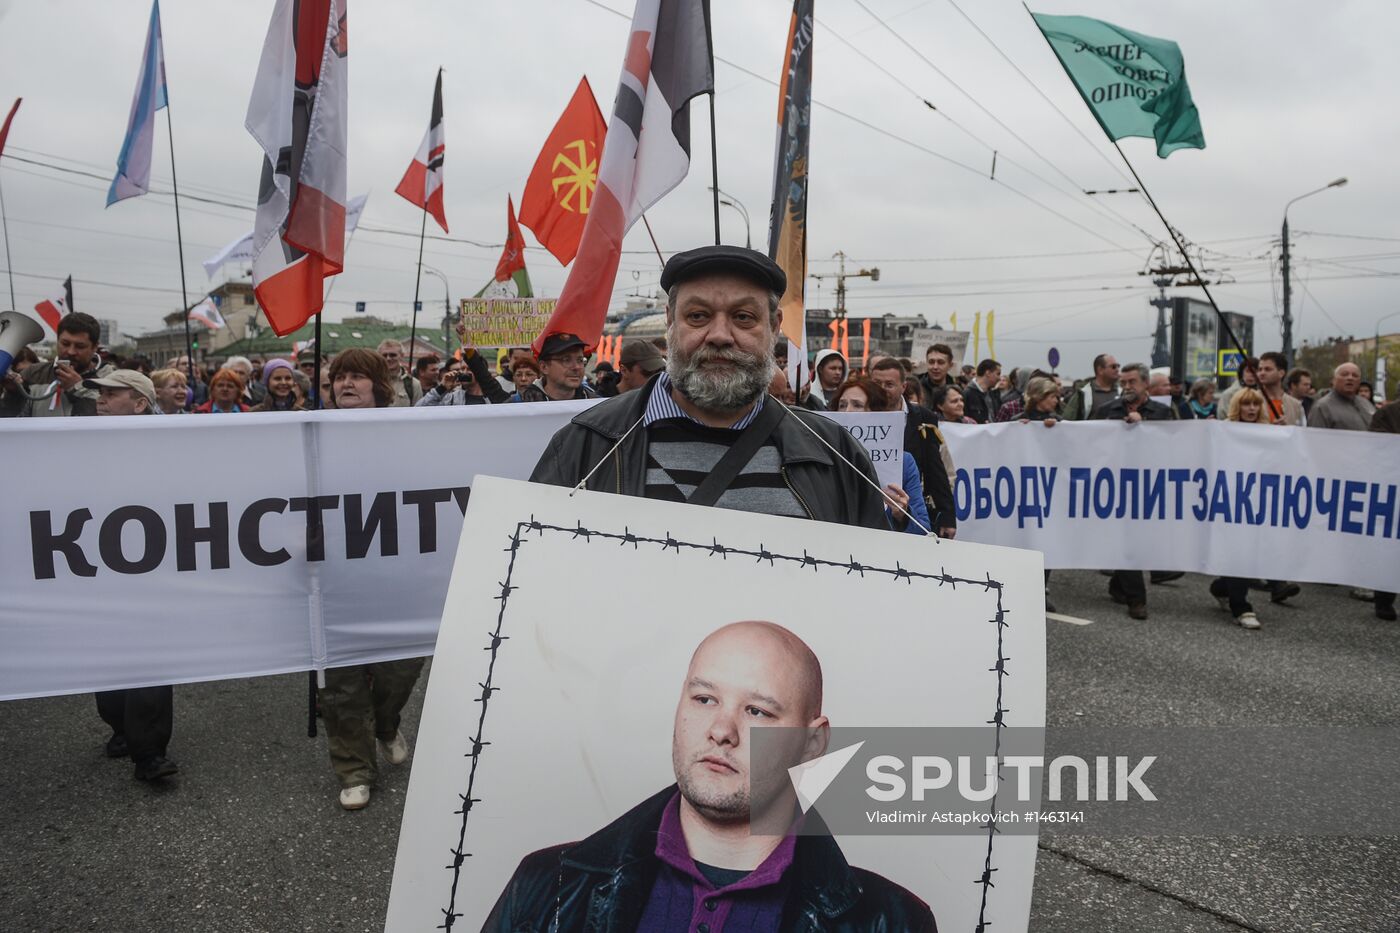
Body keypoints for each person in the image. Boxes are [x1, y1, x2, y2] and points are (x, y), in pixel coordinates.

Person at [486, 621, 937, 932]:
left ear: (813, 744)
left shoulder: (893, 922)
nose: (722, 731)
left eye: (757, 711)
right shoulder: (550, 885)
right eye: (704, 699)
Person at [529, 244, 888, 530]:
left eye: (743, 318)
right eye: (698, 316)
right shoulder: (587, 445)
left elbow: (871, 595)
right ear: (670, 321)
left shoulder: (835, 453)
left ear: (775, 326)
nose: (719, 336)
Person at [319, 348, 426, 809]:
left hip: (396, 574)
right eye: (339, 376)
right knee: (338, 679)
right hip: (335, 574)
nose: (346, 383)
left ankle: (385, 723)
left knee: (400, 667)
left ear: (379, 386)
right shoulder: (313, 433)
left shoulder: (407, 433)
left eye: (358, 376)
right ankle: (354, 767)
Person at [84, 369, 179, 781]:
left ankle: (150, 753)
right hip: (95, 570)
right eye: (99, 393)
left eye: (112, 393)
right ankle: (120, 726)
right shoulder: (73, 444)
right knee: (108, 658)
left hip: (151, 571)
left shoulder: (168, 445)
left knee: (149, 660)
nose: (101, 399)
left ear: (140, 403)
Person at [1092, 363, 1173, 619]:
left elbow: (1175, 443)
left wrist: (1145, 424)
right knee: (1127, 537)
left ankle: (1119, 585)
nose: (1126, 387)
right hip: (1114, 484)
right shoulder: (1108, 410)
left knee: (1139, 540)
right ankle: (1137, 600)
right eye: (1123, 383)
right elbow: (1088, 439)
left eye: (1132, 382)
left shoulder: (1162, 412)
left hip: (1148, 486)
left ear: (1145, 384)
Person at [1207, 387, 1275, 630]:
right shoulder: (1224, 431)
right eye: (1246, 405)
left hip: (1259, 502)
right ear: (1237, 407)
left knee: (1253, 553)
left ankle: (1221, 587)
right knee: (1240, 552)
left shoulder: (1270, 434)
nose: (1252, 409)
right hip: (1231, 502)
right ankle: (1241, 607)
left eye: (1256, 405)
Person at [830, 376, 932, 535]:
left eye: (857, 405)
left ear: (876, 414)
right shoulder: (823, 456)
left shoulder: (903, 462)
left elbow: (923, 531)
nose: (847, 411)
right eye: (842, 405)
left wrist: (902, 515)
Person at [869, 357, 956, 537]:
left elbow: (935, 468)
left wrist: (947, 516)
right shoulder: (860, 412)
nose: (881, 389)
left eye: (889, 384)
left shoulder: (923, 417)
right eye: (876, 383)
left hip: (909, 505)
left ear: (903, 386)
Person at [2, 312, 112, 417]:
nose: (70, 351)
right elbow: (10, 417)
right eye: (65, 344)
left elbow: (108, 419)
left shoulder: (110, 379)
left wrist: (77, 389)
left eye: (80, 346)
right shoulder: (33, 373)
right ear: (57, 341)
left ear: (95, 347)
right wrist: (13, 394)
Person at [1370, 399, 1399, 621]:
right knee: (1390, 543)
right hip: (1393, 483)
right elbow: (1376, 444)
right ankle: (1384, 599)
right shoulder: (1388, 413)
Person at [1309, 362, 1375, 430]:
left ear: (1359, 381)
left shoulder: (1367, 404)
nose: (1350, 378)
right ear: (1334, 380)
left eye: (1355, 375)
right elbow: (1316, 438)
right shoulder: (1322, 407)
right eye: (1344, 374)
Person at [1062, 353, 1119, 421]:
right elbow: (1067, 421)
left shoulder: (1122, 392)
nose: (1117, 369)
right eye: (1113, 367)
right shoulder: (1083, 394)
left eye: (1118, 366)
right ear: (1100, 370)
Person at [1256, 351, 1305, 426]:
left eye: (1267, 369)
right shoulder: (1251, 400)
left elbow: (1302, 434)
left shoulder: (1296, 406)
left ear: (1281, 373)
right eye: (1260, 369)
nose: (1262, 373)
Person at [377, 339, 423, 407]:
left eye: (393, 355)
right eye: (384, 355)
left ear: (401, 356)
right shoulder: (372, 381)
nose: (388, 358)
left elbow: (418, 411)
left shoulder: (413, 384)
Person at [962, 358, 1002, 424]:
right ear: (988, 373)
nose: (999, 378)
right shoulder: (967, 394)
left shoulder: (993, 394)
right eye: (998, 374)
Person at [917, 343, 955, 410]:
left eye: (941, 362)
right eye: (931, 362)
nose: (935, 367)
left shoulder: (957, 392)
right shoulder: (917, 390)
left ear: (950, 365)